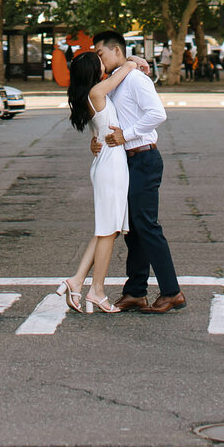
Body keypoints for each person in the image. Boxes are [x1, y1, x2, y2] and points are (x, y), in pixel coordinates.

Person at [93, 30, 185, 314]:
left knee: (147, 226)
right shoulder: (115, 80)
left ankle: (172, 292)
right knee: (132, 230)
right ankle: (135, 292)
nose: (99, 59)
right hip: (127, 161)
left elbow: (157, 114)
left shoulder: (135, 78)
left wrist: (127, 136)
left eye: (101, 53)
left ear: (116, 51)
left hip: (144, 157)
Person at [60, 50, 140, 314]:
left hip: (106, 162)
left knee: (107, 229)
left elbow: (99, 131)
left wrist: (94, 143)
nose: (104, 65)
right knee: (108, 231)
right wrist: (130, 62)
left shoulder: (89, 95)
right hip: (111, 166)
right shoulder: (96, 92)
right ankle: (97, 291)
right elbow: (123, 73)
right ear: (94, 71)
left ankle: (77, 281)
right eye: (100, 63)